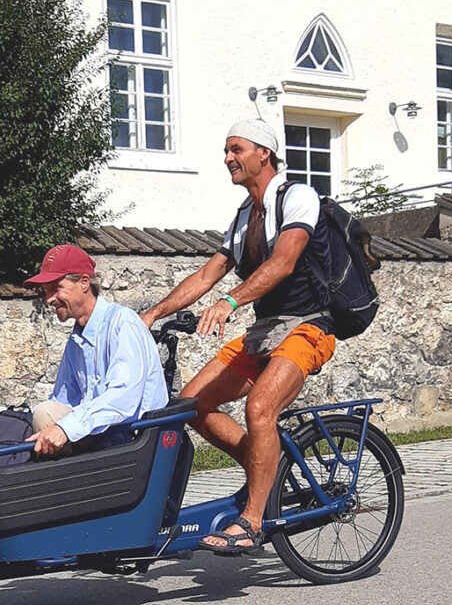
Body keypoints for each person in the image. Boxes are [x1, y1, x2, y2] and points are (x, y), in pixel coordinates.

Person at [140, 119, 336, 555]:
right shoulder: (245, 215)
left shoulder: (297, 197)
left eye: (236, 149)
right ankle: (266, 467)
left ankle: (251, 520)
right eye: (226, 151)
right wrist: (153, 313)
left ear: (263, 153)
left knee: (259, 406)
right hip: (267, 330)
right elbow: (208, 273)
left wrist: (229, 304)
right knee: (194, 404)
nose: (227, 158)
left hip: (308, 325)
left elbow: (284, 261)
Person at [23, 243, 168, 457]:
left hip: (133, 442)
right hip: (102, 437)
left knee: (46, 416)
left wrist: (65, 428)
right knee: (35, 415)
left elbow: (123, 398)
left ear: (83, 283)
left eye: (56, 287)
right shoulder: (76, 339)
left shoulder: (122, 323)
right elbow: (62, 400)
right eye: (46, 291)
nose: (49, 299)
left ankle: (59, 487)